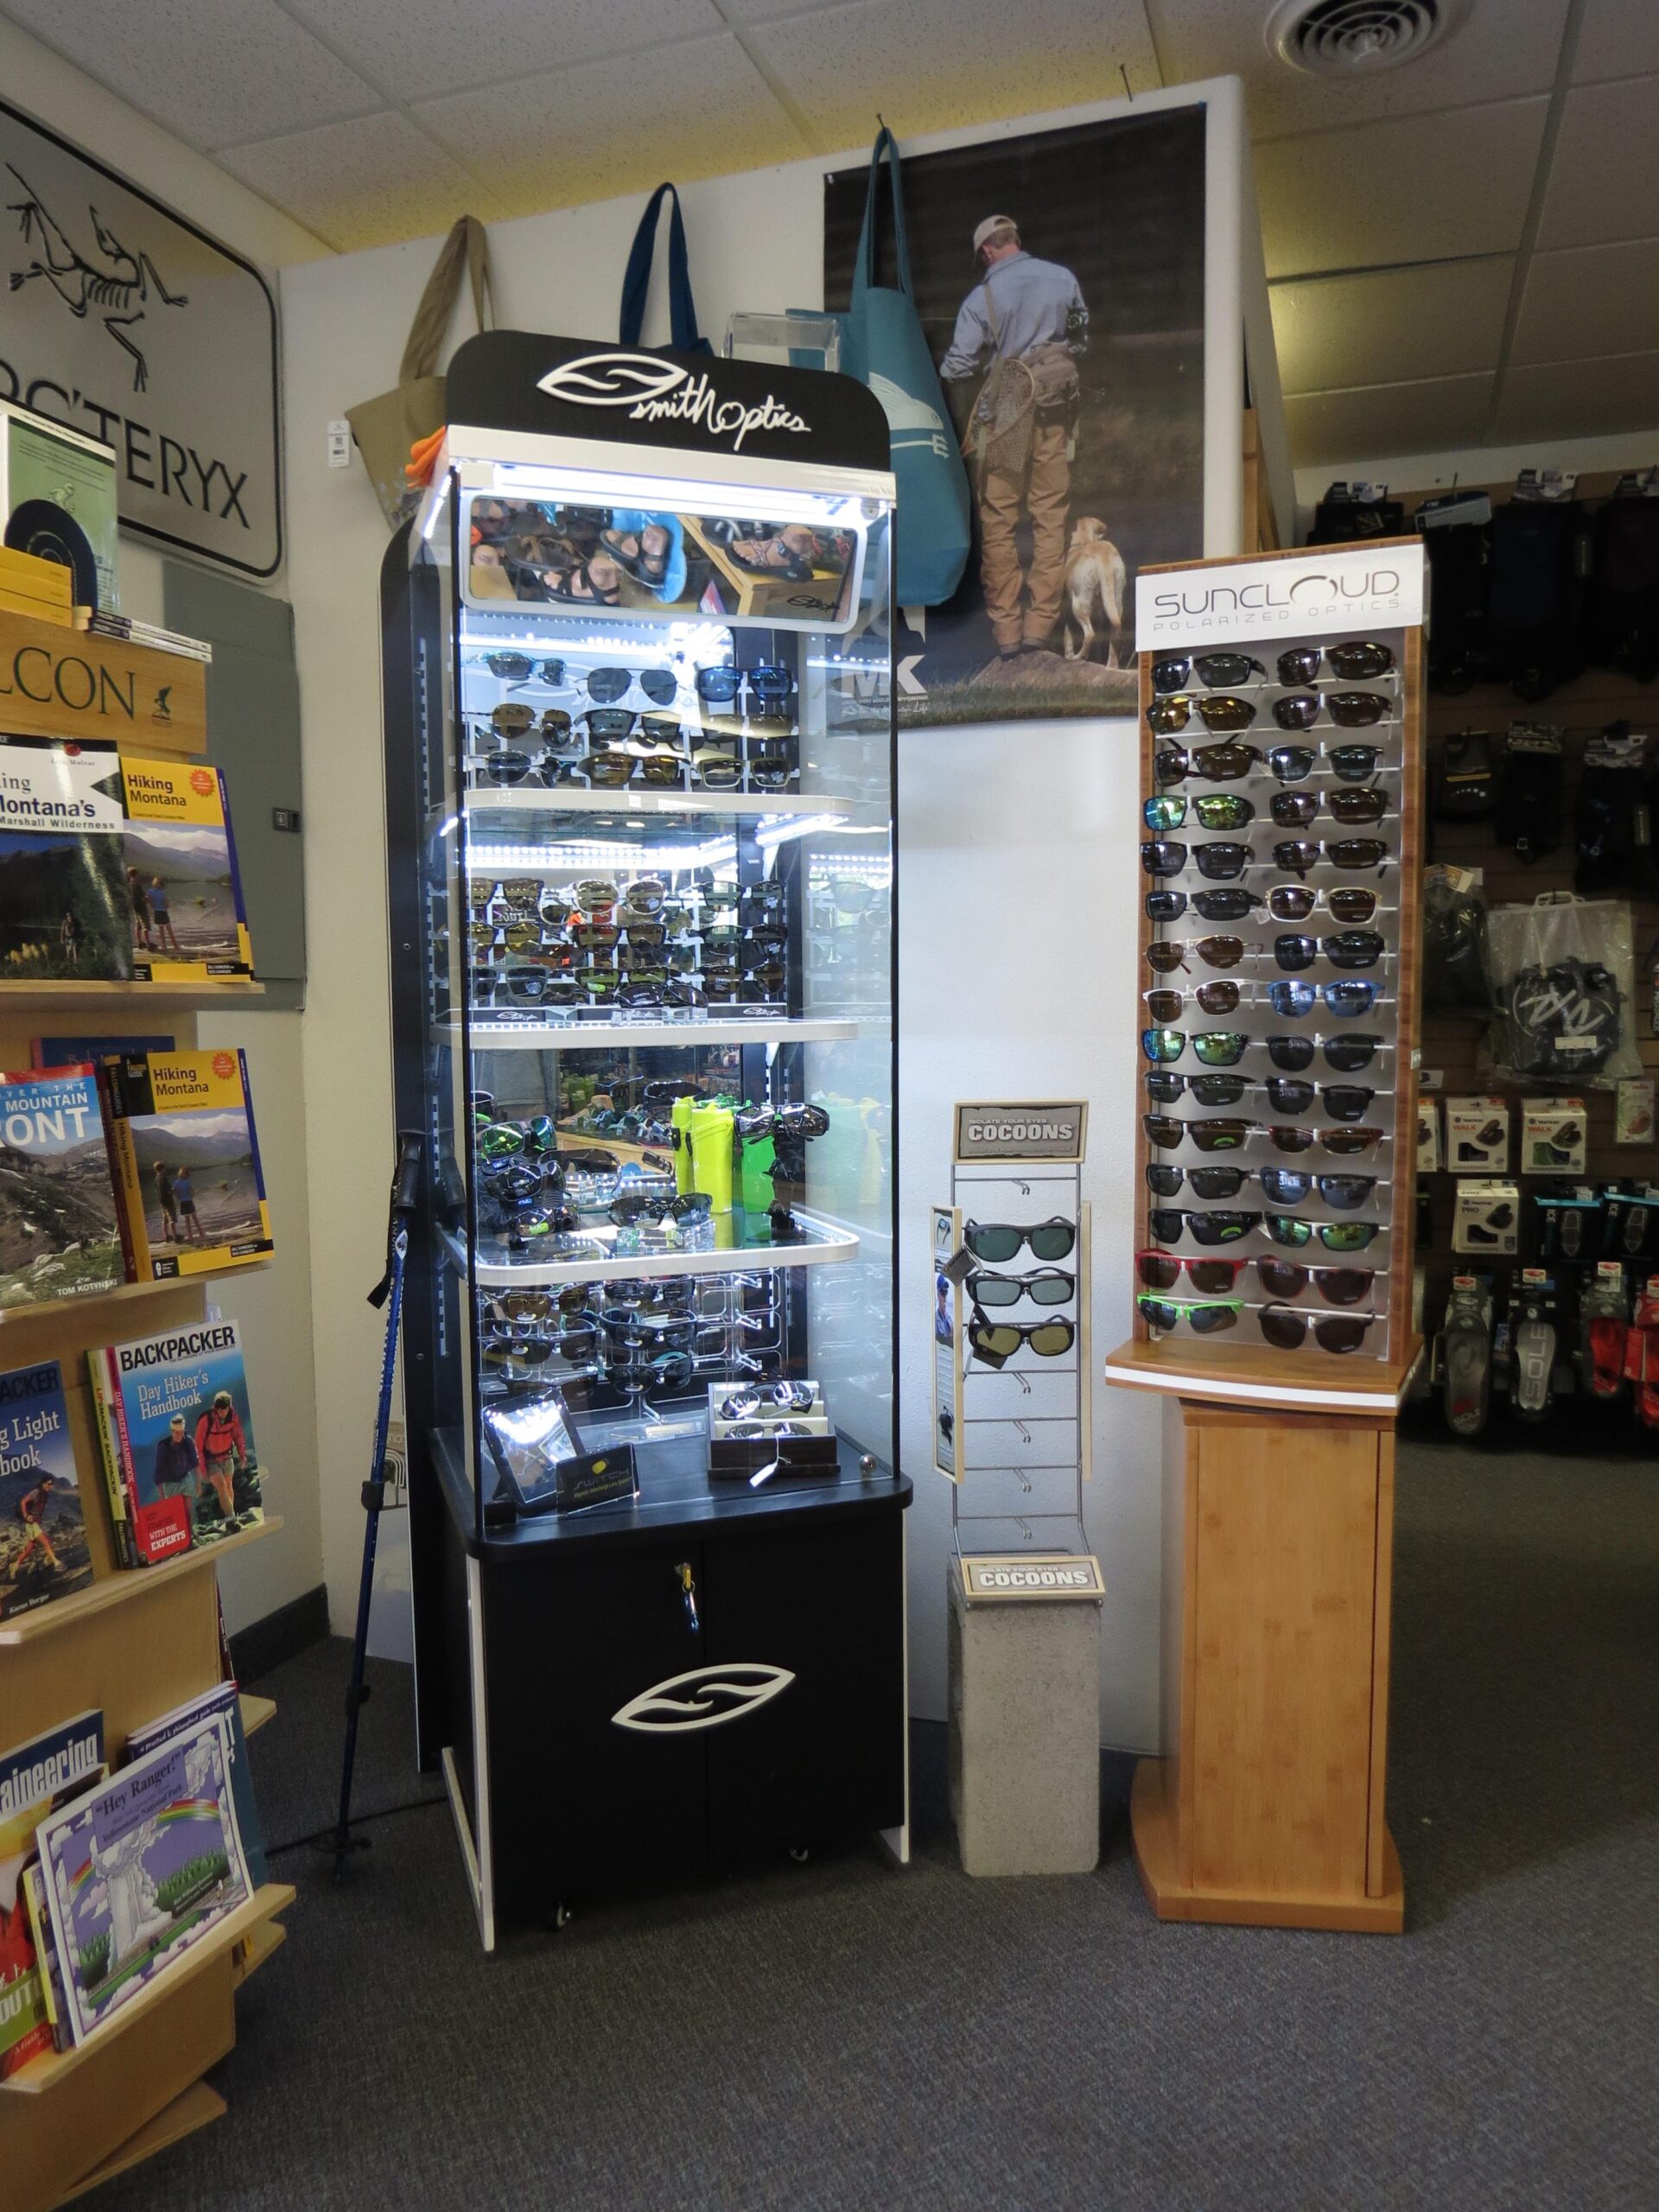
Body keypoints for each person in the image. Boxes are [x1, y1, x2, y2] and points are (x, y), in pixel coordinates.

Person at [940, 215, 1088, 659]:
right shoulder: (1063, 278)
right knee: (1050, 517)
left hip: (1005, 414)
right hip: (1056, 407)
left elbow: (960, 365)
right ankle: (1039, 627)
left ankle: (1006, 633)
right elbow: (1080, 341)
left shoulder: (980, 297)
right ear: (1015, 241)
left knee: (999, 520)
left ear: (986, 252)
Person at [194, 1389, 249, 1525]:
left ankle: (230, 1518)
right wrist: (202, 1468)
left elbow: (238, 1436)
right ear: (215, 1408)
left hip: (226, 1456)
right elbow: (198, 1444)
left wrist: (242, 1455)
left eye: (224, 1410)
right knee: (222, 1487)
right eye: (219, 1410)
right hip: (211, 1460)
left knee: (229, 1486)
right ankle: (232, 1518)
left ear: (229, 1407)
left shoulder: (233, 1417)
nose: (222, 1413)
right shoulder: (206, 1419)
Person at [10, 1471, 61, 1580]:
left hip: (35, 1523)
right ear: (43, 1483)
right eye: (48, 1484)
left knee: (29, 1549)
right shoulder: (36, 1492)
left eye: (51, 1484)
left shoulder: (44, 1494)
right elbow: (23, 1502)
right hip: (31, 1524)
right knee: (46, 1542)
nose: (50, 1486)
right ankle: (56, 1563)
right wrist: (25, 1516)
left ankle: (15, 1565)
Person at [151, 1413, 199, 1503]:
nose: (179, 1435)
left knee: (188, 1508)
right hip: (170, 1482)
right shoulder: (164, 1446)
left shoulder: (188, 1441)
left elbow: (195, 1462)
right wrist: (161, 1495)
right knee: (177, 1509)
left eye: (181, 1432)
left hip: (186, 1477)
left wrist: (199, 1483)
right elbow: (159, 1471)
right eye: (177, 1433)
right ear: (172, 1431)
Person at [146, 876, 181, 954]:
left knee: (161, 930)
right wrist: (168, 903)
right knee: (169, 929)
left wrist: (153, 905)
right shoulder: (162, 892)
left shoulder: (150, 891)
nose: (161, 886)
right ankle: (176, 946)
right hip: (163, 912)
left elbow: (148, 899)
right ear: (159, 884)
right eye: (161, 884)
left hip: (156, 912)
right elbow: (166, 905)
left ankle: (164, 946)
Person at [173, 1164, 203, 1243]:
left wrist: (180, 1197)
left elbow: (175, 1193)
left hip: (183, 1203)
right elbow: (192, 1192)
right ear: (187, 1174)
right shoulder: (188, 1182)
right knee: (195, 1218)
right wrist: (192, 1195)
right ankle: (201, 1233)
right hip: (189, 1201)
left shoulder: (176, 1183)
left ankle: (190, 1236)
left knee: (187, 1220)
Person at [152, 1160, 179, 1243]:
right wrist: (175, 1190)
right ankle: (176, 1237)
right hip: (168, 1201)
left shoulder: (155, 1179)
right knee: (172, 1219)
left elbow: (159, 1190)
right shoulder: (163, 1178)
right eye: (164, 1168)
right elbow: (169, 1191)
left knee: (164, 1219)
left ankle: (167, 1236)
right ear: (163, 1169)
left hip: (161, 1202)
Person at [127, 866, 152, 950]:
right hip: (141, 908)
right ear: (136, 875)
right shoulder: (137, 885)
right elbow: (143, 897)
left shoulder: (129, 885)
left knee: (138, 926)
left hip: (135, 908)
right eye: (138, 875)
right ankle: (149, 944)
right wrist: (148, 899)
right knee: (146, 926)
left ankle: (140, 943)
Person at [58, 906, 80, 970]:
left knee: (75, 951)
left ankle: (76, 965)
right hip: (68, 938)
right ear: (67, 917)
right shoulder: (65, 922)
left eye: (70, 916)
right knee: (68, 952)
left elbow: (78, 930)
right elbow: (62, 931)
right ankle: (69, 965)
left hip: (74, 938)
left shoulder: (75, 922)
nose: (70, 918)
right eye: (68, 917)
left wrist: (78, 937)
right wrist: (62, 939)